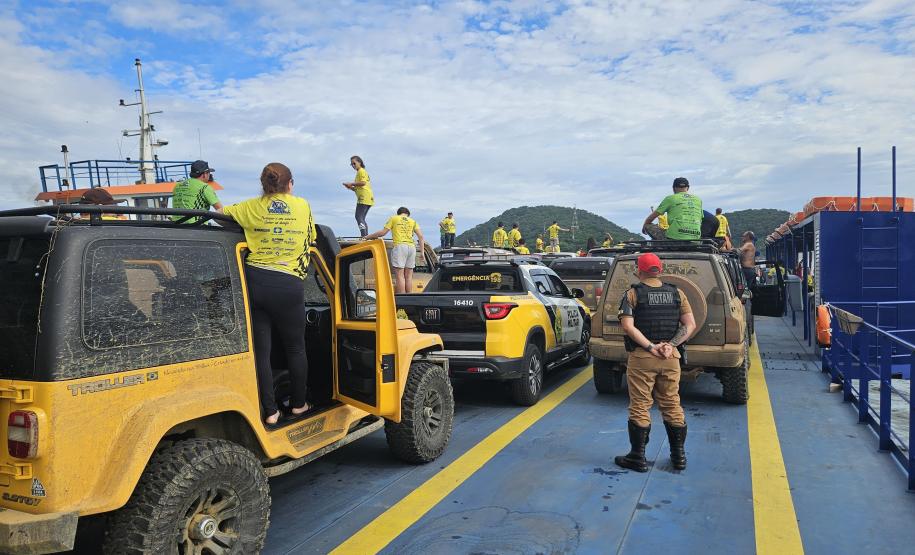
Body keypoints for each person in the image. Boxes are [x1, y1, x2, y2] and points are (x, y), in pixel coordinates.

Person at [222, 162, 316, 425]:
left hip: (254, 282)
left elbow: (222, 213)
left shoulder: (251, 206)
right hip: (287, 284)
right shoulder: (303, 205)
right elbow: (311, 237)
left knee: (262, 351)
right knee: (296, 348)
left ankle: (271, 411)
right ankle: (299, 405)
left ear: (264, 185)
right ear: (290, 184)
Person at [615, 253, 696, 472]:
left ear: (638, 270)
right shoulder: (677, 293)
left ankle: (637, 457)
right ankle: (679, 457)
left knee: (640, 405)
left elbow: (628, 327)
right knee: (672, 404)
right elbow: (690, 325)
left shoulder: (632, 294)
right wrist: (670, 345)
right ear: (660, 270)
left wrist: (651, 347)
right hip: (670, 357)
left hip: (643, 358)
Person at [365, 207, 425, 294]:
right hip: (412, 248)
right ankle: (409, 298)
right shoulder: (413, 221)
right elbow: (421, 237)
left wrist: (368, 236)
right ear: (407, 214)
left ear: (399, 213)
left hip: (400, 246)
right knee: (408, 276)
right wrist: (422, 252)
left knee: (400, 276)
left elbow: (383, 233)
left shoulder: (394, 218)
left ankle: (402, 300)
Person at [343, 155, 374, 237]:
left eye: (354, 163)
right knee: (361, 218)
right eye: (351, 164)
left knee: (358, 216)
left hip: (364, 197)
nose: (353, 165)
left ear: (359, 162)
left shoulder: (361, 171)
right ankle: (365, 236)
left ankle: (364, 236)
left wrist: (351, 183)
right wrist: (350, 187)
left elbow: (363, 182)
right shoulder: (359, 172)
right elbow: (359, 188)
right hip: (367, 197)